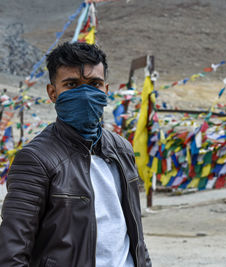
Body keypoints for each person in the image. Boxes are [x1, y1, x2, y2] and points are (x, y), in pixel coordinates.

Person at [0, 42, 151, 267]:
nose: (85, 94)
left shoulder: (122, 149)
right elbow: (12, 252)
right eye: (72, 84)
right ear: (53, 92)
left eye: (94, 84)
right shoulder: (36, 159)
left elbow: (134, 231)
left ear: (106, 90)